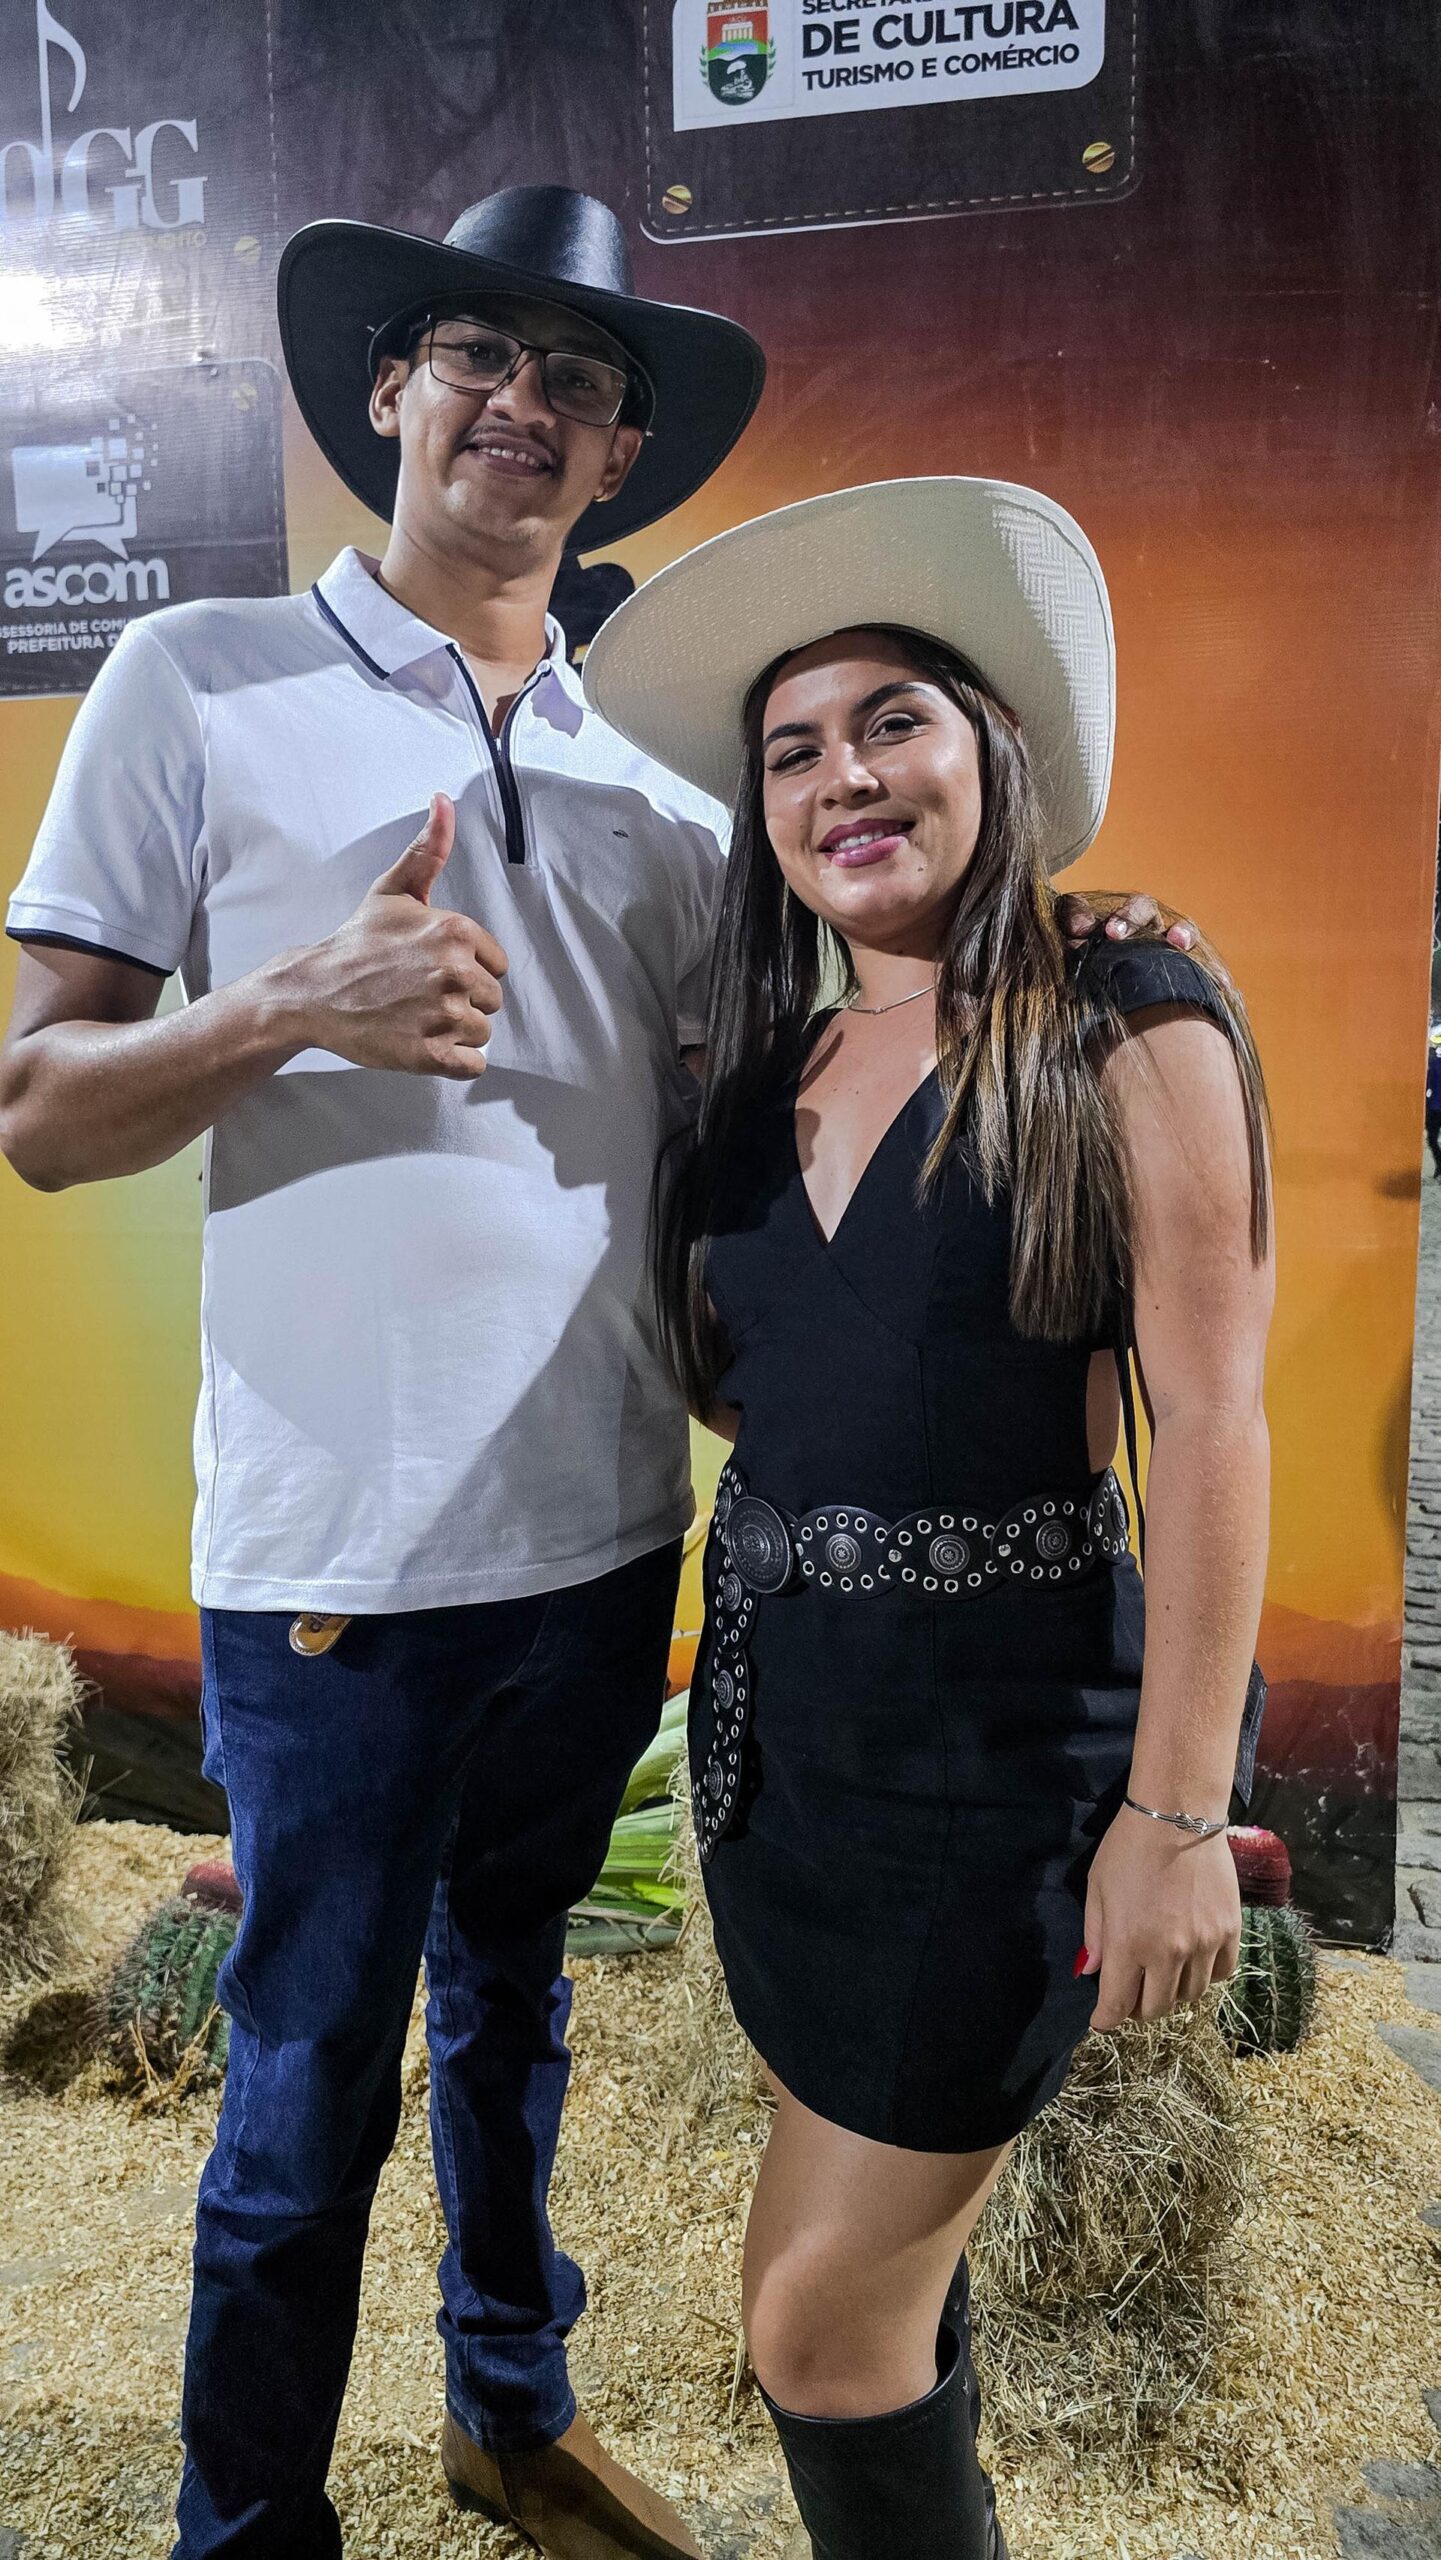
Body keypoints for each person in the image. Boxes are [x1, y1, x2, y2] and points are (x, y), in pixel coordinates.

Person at [0, 183, 1204, 2553]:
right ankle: (248, 2522)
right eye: (479, 354)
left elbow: (837, 1053)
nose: (523, 406)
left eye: (580, 382)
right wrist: (292, 1004)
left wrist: (1088, 938)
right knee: (302, 2086)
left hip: (608, 1539)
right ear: (388, 387)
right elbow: (38, 1112)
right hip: (337, 1560)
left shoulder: (675, 786)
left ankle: (508, 2406)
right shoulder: (195, 680)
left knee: (515, 2010)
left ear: (620, 452)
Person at [582, 476, 1274, 2560]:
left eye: (895, 721)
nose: (845, 778)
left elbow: (1212, 1424)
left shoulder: (1124, 1012)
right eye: (794, 749)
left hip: (1001, 1773)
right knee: (843, 2293)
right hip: (784, 1757)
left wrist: (1174, 1818)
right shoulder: (758, 1067)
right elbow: (767, 1378)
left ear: (994, 750)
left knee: (813, 2323)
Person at [1426, 1024, 1441, 1177]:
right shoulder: (1434, 1063)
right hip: (1435, 1106)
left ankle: (1440, 1163)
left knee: (1432, 1139)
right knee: (1432, 1139)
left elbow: (1428, 1085)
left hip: (1435, 1107)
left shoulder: (1434, 1064)